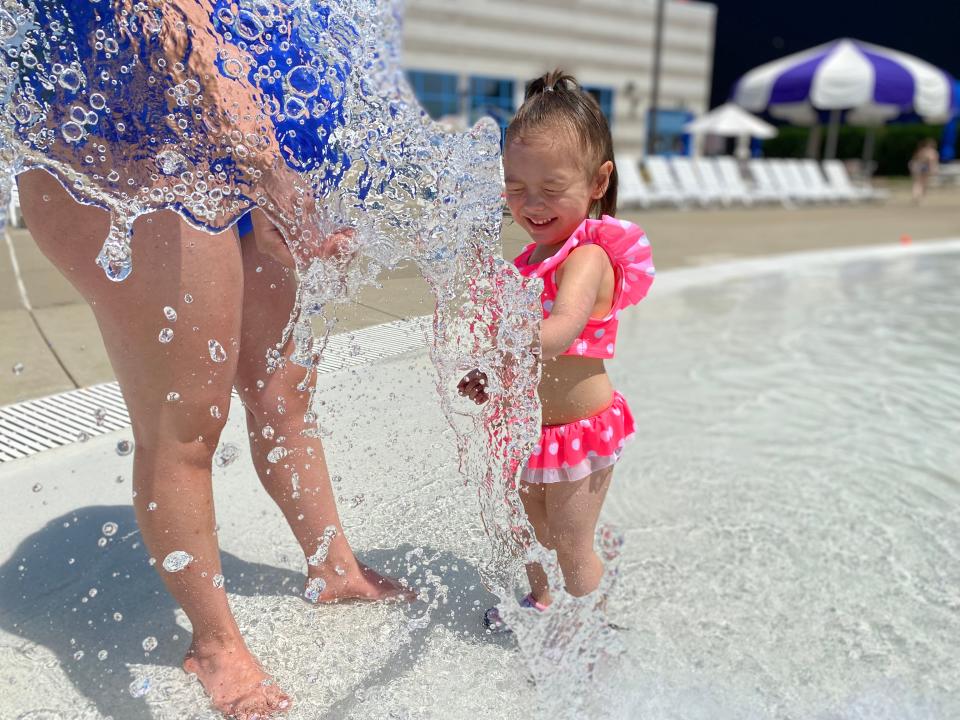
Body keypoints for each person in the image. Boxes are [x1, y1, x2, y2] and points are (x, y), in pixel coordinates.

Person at [12, 4, 411, 719]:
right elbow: (174, 25)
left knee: (284, 395)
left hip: (245, 148)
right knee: (189, 421)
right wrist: (277, 178)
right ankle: (215, 644)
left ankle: (334, 566)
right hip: (134, 154)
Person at [457, 70, 654, 630]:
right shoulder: (525, 263)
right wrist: (488, 372)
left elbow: (562, 330)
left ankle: (592, 628)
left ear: (597, 182)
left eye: (551, 188)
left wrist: (510, 340)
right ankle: (541, 604)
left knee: (570, 543)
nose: (532, 204)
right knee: (532, 533)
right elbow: (518, 352)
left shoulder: (586, 256)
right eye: (516, 188)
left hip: (580, 429)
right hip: (526, 429)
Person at [910, 138, 940, 203]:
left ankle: (916, 195)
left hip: (917, 166)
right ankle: (920, 196)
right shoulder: (933, 152)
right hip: (924, 167)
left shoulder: (921, 151)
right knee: (923, 183)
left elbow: (914, 160)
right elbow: (932, 162)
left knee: (917, 182)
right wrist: (934, 169)